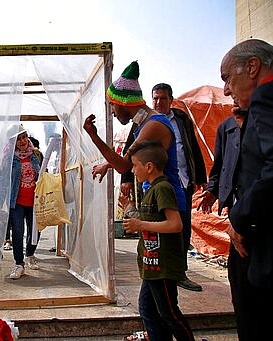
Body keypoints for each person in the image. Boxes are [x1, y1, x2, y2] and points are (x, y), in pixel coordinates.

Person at [83, 61, 186, 244]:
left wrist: (94, 136)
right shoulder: (142, 124)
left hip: (167, 204)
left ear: (122, 103)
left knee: (166, 266)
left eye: (112, 106)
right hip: (155, 201)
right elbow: (128, 158)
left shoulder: (153, 125)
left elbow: (124, 165)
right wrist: (107, 165)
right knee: (153, 265)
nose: (113, 112)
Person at [219, 38, 273, 340]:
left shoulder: (266, 97)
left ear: (252, 67)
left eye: (227, 78)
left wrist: (239, 218)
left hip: (259, 240)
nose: (226, 89)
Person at [123, 140, 194, 341]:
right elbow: (151, 219)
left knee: (169, 313)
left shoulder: (162, 188)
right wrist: (130, 209)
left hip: (162, 266)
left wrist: (141, 226)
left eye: (135, 165)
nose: (133, 170)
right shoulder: (151, 189)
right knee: (148, 310)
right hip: (151, 266)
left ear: (149, 166)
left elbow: (175, 224)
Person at [150, 83, 207, 292]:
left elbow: (192, 146)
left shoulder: (181, 119)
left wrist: (200, 176)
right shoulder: (148, 120)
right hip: (157, 186)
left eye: (162, 99)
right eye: (155, 98)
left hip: (182, 182)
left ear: (171, 100)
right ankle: (158, 272)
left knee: (182, 229)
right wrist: (127, 178)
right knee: (157, 230)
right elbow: (133, 147)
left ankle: (180, 272)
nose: (158, 102)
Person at [2, 124, 42, 279]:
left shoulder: (36, 155)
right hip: (17, 202)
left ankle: (30, 254)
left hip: (35, 200)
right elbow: (2, 179)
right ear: (13, 142)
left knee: (35, 232)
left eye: (24, 136)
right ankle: (19, 264)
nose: (22, 141)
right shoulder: (8, 157)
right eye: (18, 139)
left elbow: (42, 174)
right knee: (18, 233)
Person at [197, 110, 246, 215]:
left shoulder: (263, 123)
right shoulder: (226, 127)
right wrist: (212, 191)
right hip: (235, 198)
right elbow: (219, 164)